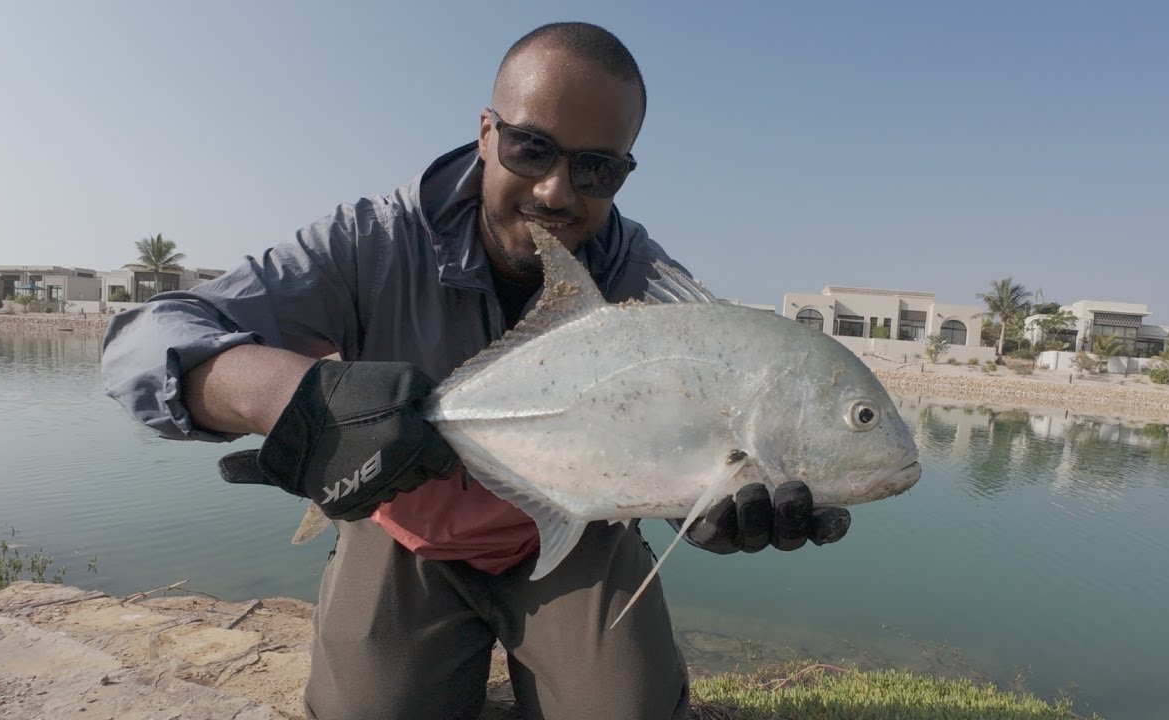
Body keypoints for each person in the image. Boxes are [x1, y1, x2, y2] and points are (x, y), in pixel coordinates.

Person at [101, 22, 850, 720]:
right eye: (531, 148)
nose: (558, 191)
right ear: (487, 133)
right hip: (403, 523)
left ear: (625, 172)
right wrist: (289, 396)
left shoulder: (649, 288)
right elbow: (144, 341)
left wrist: (712, 510)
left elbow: (680, 446)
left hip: (572, 531)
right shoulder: (373, 241)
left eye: (596, 169)